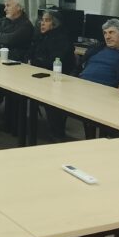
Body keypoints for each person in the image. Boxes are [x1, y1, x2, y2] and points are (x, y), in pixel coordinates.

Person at [26, 10, 76, 140]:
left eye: (47, 21)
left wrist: (35, 61)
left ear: (55, 24)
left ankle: (57, 133)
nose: (42, 23)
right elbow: (30, 54)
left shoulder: (62, 39)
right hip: (40, 74)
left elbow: (52, 62)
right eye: (42, 20)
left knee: (50, 97)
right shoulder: (41, 36)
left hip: (58, 79)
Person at [77, 18, 119, 88]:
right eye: (105, 33)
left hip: (105, 90)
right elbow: (78, 68)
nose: (107, 37)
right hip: (80, 84)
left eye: (111, 32)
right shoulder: (95, 48)